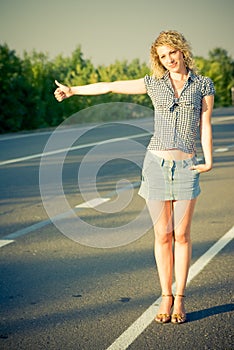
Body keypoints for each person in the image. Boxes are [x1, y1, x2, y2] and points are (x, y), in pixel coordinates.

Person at [54, 30, 215, 324]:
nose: (169, 60)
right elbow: (111, 87)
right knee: (163, 235)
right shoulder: (153, 84)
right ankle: (165, 296)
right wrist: (74, 90)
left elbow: (205, 125)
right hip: (155, 165)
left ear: (182, 51)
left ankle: (180, 299)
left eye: (172, 53)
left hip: (187, 167)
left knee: (182, 235)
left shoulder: (203, 85)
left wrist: (209, 160)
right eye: (163, 56)